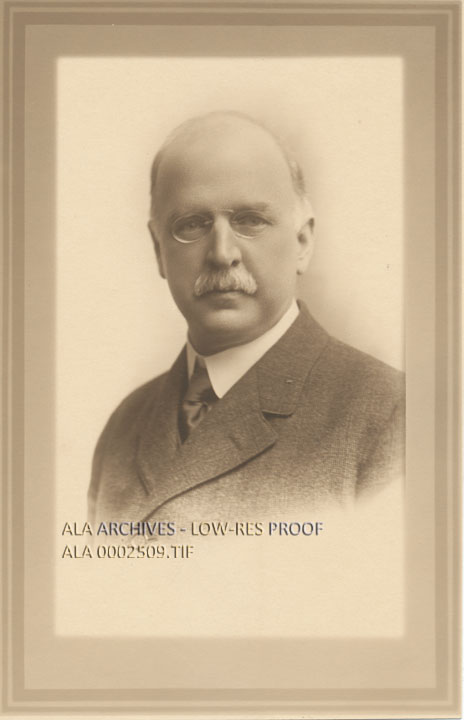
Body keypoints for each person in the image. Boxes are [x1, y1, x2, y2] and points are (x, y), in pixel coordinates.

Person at [88, 111, 404, 527]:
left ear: (303, 242)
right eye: (191, 225)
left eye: (250, 220)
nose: (222, 253)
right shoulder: (125, 425)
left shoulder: (391, 414)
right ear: (159, 250)